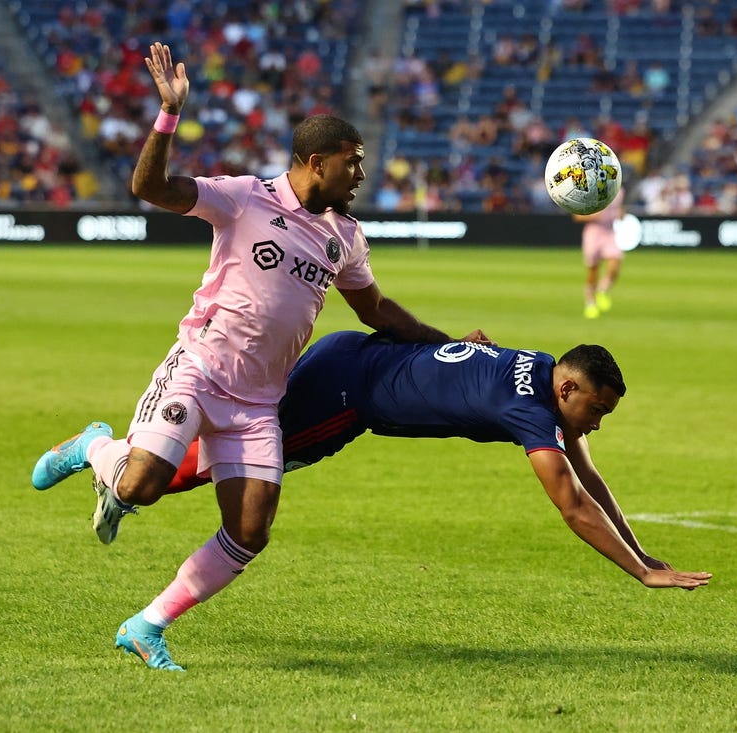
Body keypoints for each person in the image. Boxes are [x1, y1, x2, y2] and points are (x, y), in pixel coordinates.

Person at [29, 43, 490, 672]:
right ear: (315, 161)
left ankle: (146, 624)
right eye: (352, 165)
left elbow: (377, 312)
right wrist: (168, 115)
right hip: (197, 369)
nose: (361, 176)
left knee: (250, 531)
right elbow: (149, 187)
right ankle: (92, 447)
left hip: (257, 403)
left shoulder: (345, 237)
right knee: (140, 485)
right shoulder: (245, 198)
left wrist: (451, 345)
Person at [44, 331, 712, 658]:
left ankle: (113, 469)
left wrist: (646, 555)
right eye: (596, 410)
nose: (596, 424)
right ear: (569, 390)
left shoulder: (541, 369)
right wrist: (641, 573)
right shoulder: (531, 410)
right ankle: (98, 451)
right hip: (343, 398)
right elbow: (571, 504)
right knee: (216, 475)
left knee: (213, 467)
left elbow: (589, 479)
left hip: (352, 354)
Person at [573, 186, 626, 319]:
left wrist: (620, 214)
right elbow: (577, 216)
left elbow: (619, 210)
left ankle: (602, 290)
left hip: (609, 232)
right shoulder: (591, 191)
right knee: (593, 270)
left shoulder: (619, 191)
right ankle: (590, 303)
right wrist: (594, 215)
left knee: (614, 266)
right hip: (594, 233)